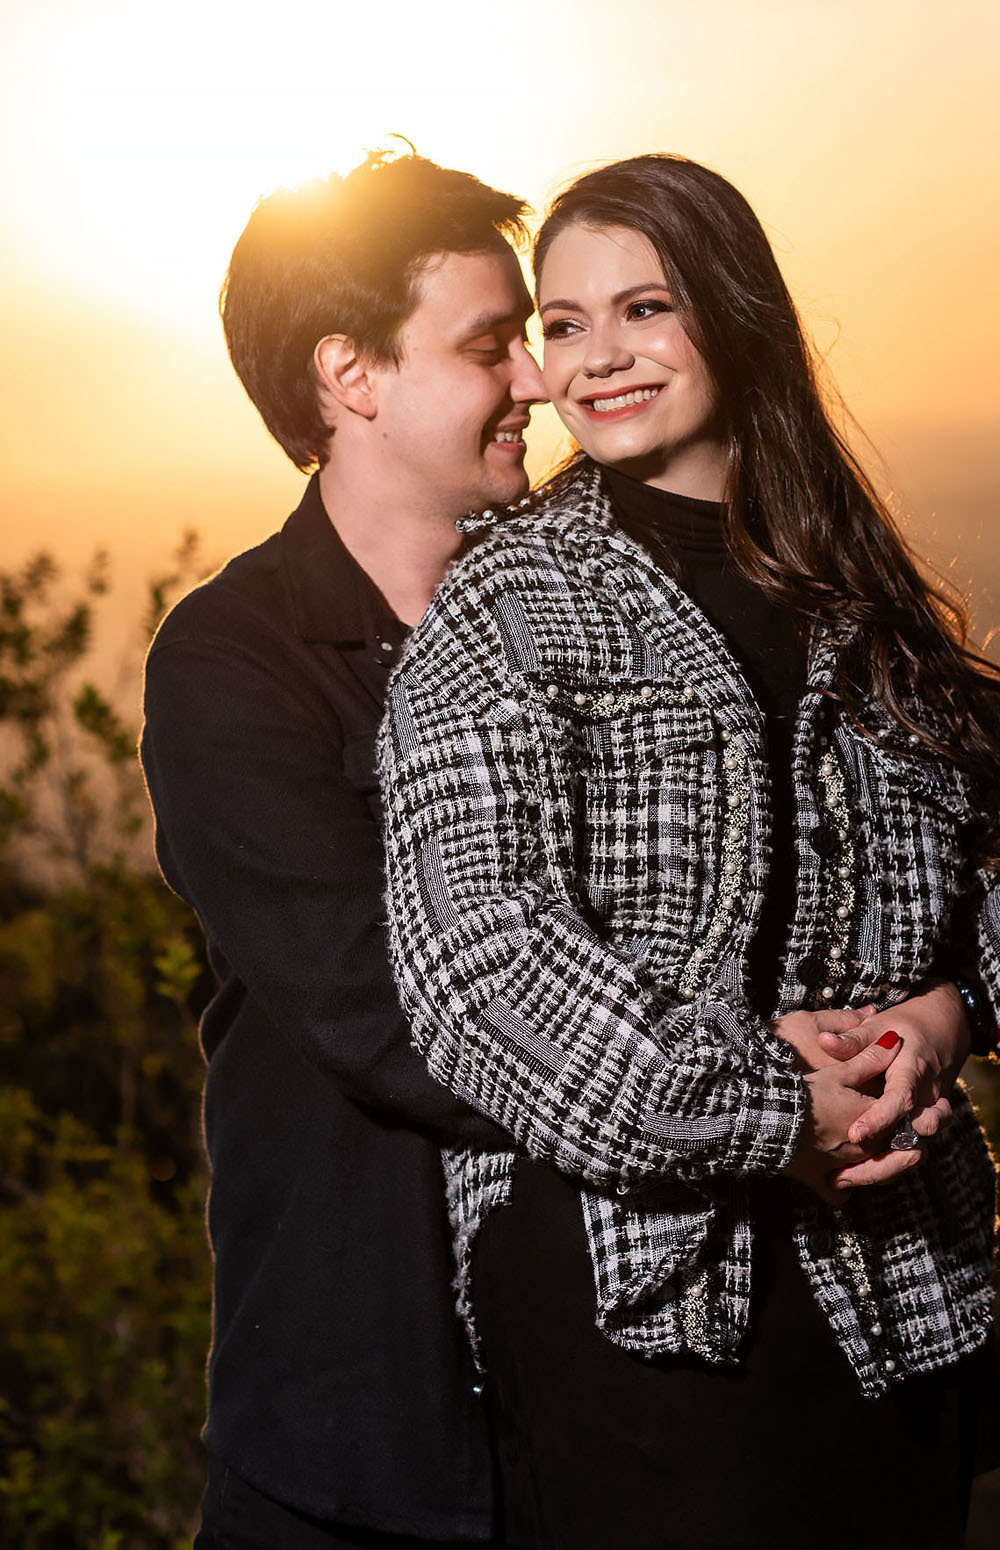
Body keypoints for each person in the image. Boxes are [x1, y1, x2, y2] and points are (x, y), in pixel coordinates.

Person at [378, 154, 1000, 1550]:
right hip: (633, 1301)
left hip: (896, 1295)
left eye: (644, 307)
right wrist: (779, 1112)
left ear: (731, 310)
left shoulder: (856, 589)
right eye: (563, 322)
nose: (597, 357)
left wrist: (951, 1012)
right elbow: (479, 965)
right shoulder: (504, 606)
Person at [140, 150, 551, 1547]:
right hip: (346, 1454)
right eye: (488, 346)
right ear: (349, 374)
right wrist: (741, 1100)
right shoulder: (231, 665)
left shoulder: (593, 611)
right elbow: (390, 1009)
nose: (537, 380)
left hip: (595, 1434)